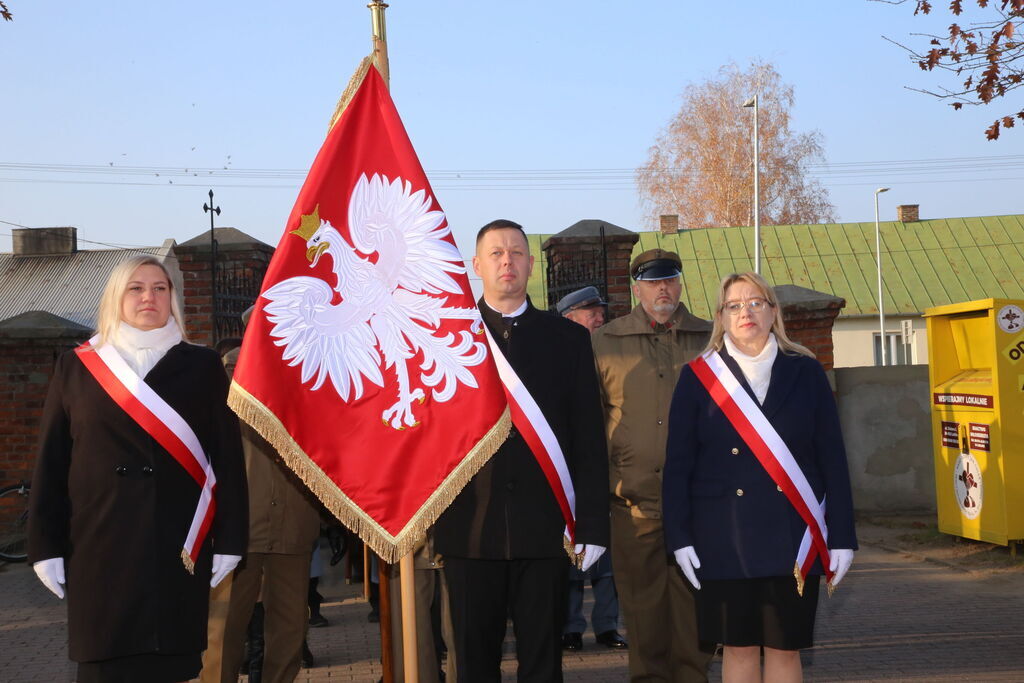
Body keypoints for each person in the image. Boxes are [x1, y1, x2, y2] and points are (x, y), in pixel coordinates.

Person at [27, 255, 248, 683]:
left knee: (170, 667)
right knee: (104, 666)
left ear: (172, 298)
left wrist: (232, 539)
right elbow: (51, 462)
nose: (149, 296)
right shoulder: (78, 366)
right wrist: (44, 545)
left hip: (176, 545)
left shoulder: (202, 366)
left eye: (160, 288)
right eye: (136, 287)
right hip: (99, 545)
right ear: (116, 297)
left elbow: (227, 459)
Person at [434, 219, 610, 682]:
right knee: (473, 665)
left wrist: (592, 523)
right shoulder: (447, 339)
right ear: (476, 265)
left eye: (516, 252)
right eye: (495, 253)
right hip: (469, 529)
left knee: (543, 663)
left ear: (531, 265)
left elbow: (588, 438)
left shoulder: (567, 340)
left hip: (545, 530)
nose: (506, 261)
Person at [663, 272, 858, 683]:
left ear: (773, 311)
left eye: (755, 302)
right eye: (734, 305)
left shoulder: (805, 371)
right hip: (723, 535)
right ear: (721, 316)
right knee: (738, 648)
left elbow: (832, 459)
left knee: (786, 650)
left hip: (791, 532)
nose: (745, 312)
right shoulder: (698, 376)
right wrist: (679, 536)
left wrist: (841, 536)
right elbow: (679, 464)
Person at [590, 248, 714, 682]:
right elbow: (591, 421)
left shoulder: (710, 339)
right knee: (643, 623)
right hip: (633, 507)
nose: (662, 289)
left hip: (697, 507)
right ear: (636, 288)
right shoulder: (606, 342)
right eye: (653, 281)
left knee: (696, 620)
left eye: (670, 279)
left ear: (680, 283)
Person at [200, 311, 322, 683]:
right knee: (223, 631)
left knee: (289, 630)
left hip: (294, 518)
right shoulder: (228, 377)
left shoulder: (314, 378)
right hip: (241, 523)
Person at [555, 286, 625, 652]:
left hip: (608, 466)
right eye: (591, 313)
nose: (600, 318)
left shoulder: (613, 351)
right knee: (570, 552)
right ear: (569, 317)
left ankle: (607, 625)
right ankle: (570, 626)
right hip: (567, 467)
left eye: (600, 312)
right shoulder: (557, 354)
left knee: (607, 556)